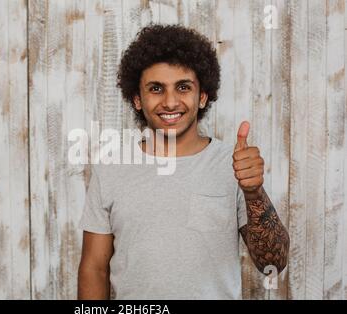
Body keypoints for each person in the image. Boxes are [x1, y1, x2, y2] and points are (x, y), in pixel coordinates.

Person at [77, 24, 289, 299]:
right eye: (156, 88)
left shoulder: (233, 165)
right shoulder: (110, 169)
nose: (170, 101)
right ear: (137, 99)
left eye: (183, 87)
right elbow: (94, 269)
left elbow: (273, 262)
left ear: (202, 96)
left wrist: (253, 192)